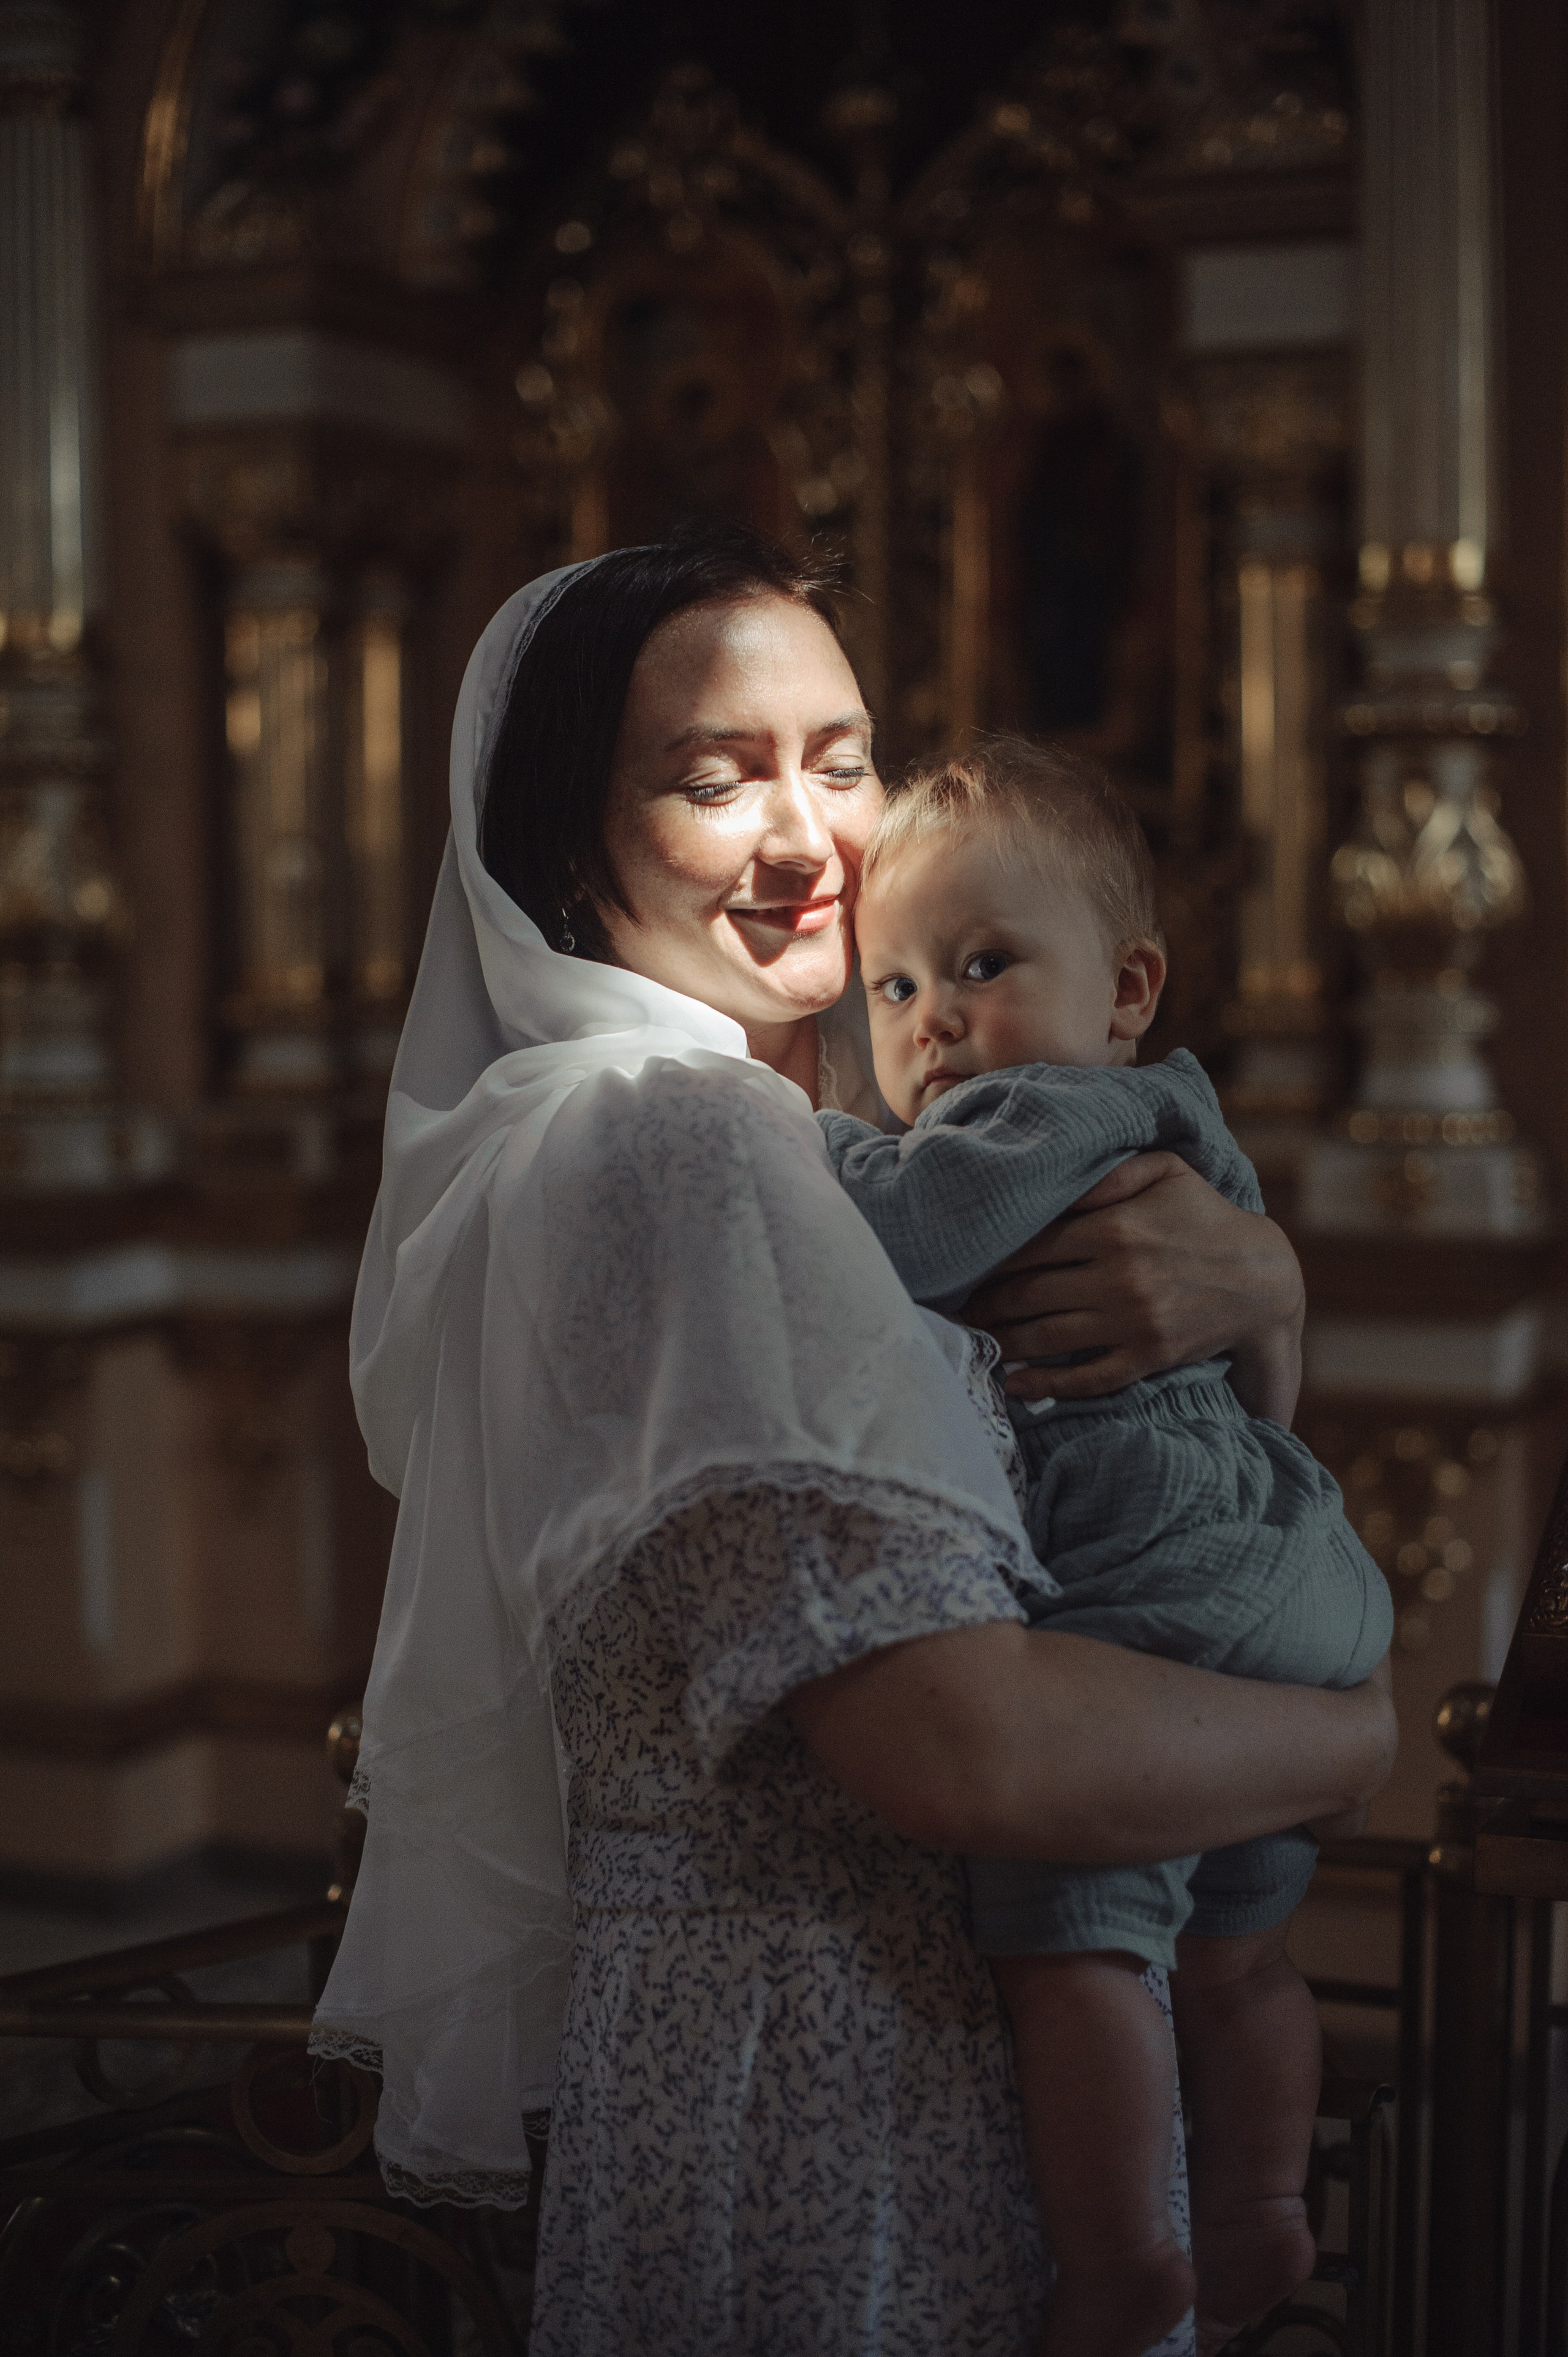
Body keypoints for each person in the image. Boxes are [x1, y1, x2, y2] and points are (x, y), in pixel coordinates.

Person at [309, 526, 1396, 2357]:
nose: (810, 835)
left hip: (869, 2029)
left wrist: (1263, 1286)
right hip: (837, 2057)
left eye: (841, 757)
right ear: (566, 843)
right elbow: (955, 1749)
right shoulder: (682, 1142)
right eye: (715, 779)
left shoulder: (777, 1133)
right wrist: (1356, 1733)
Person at [817, 740, 1395, 2357]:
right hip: (1294, 1565)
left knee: (1068, 1939)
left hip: (1164, 1601)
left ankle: (1121, 2254)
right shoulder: (1177, 1114)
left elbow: (907, 1235)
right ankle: (1267, 2209)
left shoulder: (1035, 1113)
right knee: (1238, 1957)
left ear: (1129, 985)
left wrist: (792, 1141)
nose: (930, 1022)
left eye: (983, 966)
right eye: (892, 985)